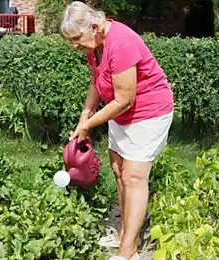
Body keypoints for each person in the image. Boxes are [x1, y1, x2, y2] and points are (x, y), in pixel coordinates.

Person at [61, 2, 174, 260]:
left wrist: (89, 125)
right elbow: (97, 82)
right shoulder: (95, 46)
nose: (74, 45)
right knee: (119, 172)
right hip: (121, 114)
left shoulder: (120, 42)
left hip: (148, 111)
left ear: (94, 27)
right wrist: (84, 116)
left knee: (134, 176)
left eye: (76, 38)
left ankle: (128, 251)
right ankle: (124, 233)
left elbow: (125, 99)